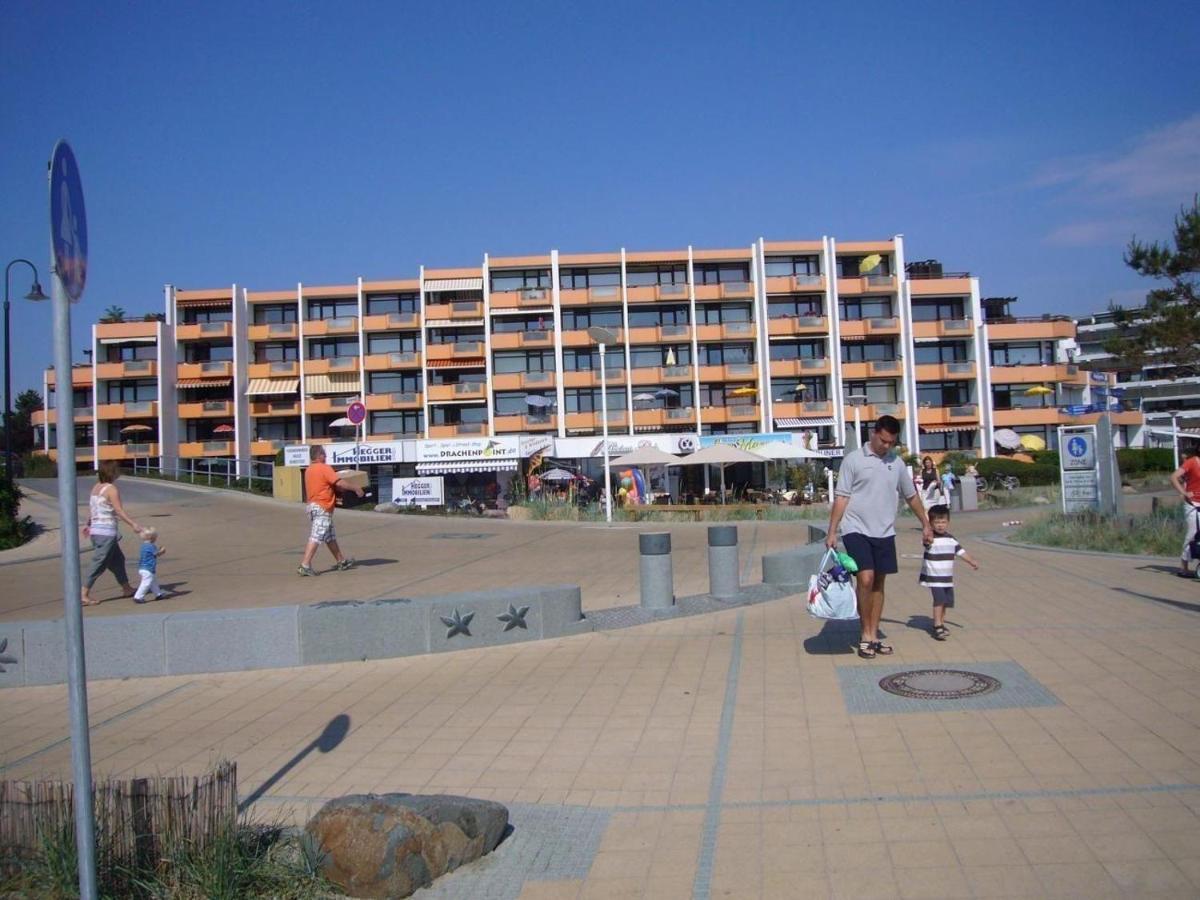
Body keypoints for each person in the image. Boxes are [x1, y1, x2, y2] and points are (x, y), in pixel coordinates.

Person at [827, 415, 934, 658]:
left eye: (891, 443)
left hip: (884, 531)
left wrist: (925, 524)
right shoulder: (853, 460)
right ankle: (865, 633)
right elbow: (842, 496)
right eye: (884, 441)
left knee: (878, 582)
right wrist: (832, 531)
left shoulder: (896, 463)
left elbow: (911, 496)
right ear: (874, 433)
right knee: (865, 577)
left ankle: (874, 634)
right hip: (855, 528)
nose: (886, 446)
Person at [81, 461, 144, 607]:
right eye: (116, 470)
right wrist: (133, 524)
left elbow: (93, 509)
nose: (118, 473)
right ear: (112, 472)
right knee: (99, 563)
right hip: (106, 532)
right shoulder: (111, 489)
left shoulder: (96, 488)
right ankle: (83, 593)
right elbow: (119, 511)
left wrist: (88, 524)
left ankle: (126, 588)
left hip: (96, 531)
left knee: (118, 560)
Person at [298, 445, 364, 576]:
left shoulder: (309, 470)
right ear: (319, 455)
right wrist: (355, 488)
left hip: (313, 506)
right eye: (324, 454)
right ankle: (305, 565)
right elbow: (339, 483)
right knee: (316, 536)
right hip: (323, 506)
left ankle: (341, 561)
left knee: (329, 537)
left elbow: (324, 485)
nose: (326, 457)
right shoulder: (324, 468)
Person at [919, 505, 979, 640]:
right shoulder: (931, 538)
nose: (940, 525)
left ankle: (941, 622)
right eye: (937, 522)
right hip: (934, 577)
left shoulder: (951, 539)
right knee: (939, 601)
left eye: (943, 522)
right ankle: (937, 626)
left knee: (945, 602)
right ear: (931, 523)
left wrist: (971, 561)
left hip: (947, 578)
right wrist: (927, 538)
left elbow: (960, 552)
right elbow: (926, 542)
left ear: (948, 522)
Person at [1170, 445, 1200, 577]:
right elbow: (1174, 477)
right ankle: (1184, 566)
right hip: (1193, 503)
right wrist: (1184, 492)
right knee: (1193, 533)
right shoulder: (1192, 461)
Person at [133, 527, 167, 603]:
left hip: (143, 567)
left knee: (153, 582)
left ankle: (158, 594)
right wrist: (162, 551)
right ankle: (138, 597)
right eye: (155, 537)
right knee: (146, 583)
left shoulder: (143, 546)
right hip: (148, 568)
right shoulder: (151, 546)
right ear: (152, 538)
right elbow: (156, 554)